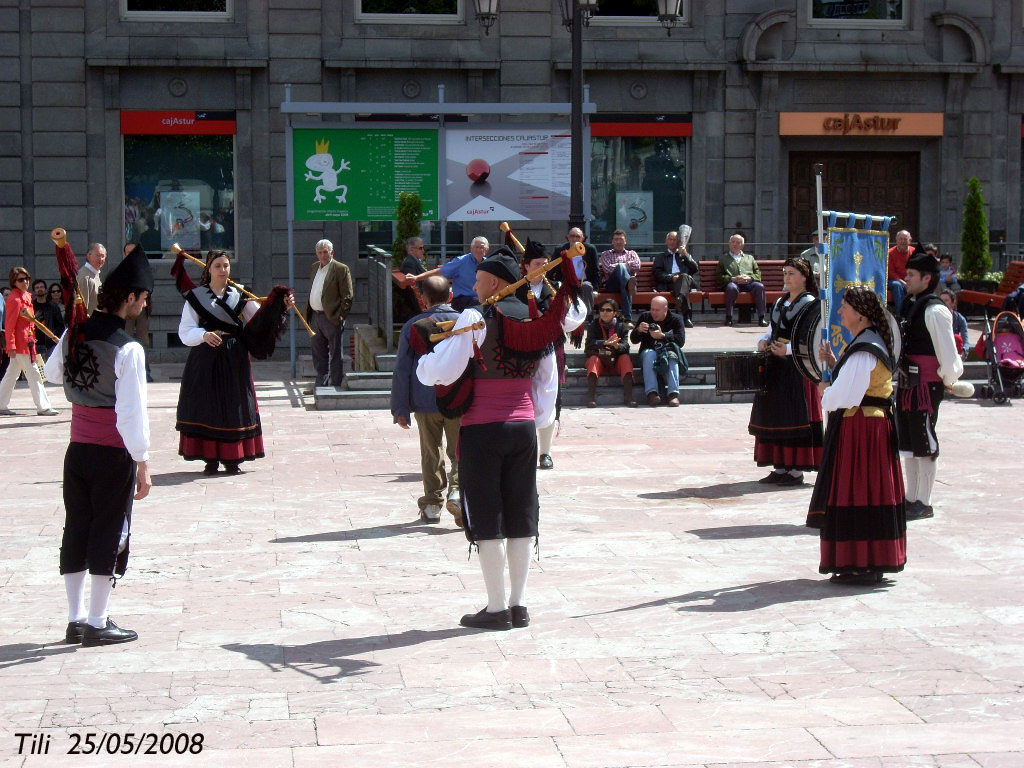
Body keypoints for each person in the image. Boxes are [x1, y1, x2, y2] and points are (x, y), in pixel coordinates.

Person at [416, 250, 581, 630]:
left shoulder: (477, 317)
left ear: (492, 282)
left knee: (488, 515)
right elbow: (546, 383)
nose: (472, 285)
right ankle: (519, 605)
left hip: (482, 430)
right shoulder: (535, 318)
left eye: (478, 280)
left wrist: (426, 362)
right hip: (523, 430)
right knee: (521, 511)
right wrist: (536, 423)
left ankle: (496, 609)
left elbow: (442, 370)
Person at [44, 246, 153, 645]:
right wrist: (142, 461)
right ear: (129, 298)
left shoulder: (77, 331)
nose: (144, 304)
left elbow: (54, 374)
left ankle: (75, 618)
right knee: (109, 530)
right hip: (111, 451)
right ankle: (97, 620)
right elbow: (131, 413)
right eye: (142, 298)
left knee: (77, 527)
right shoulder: (129, 348)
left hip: (78, 450)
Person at [807, 286, 906, 586]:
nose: (840, 312)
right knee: (868, 490)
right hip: (869, 426)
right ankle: (867, 559)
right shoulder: (866, 343)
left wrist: (825, 392)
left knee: (860, 490)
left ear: (860, 314)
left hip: (863, 429)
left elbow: (844, 396)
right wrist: (838, 365)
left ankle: (863, 561)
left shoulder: (865, 348)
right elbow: (860, 383)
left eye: (845, 307)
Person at [175, 250, 295, 474]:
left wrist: (281, 308)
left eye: (226, 265)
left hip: (234, 359)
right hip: (205, 358)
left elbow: (260, 322)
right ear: (208, 269)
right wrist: (203, 335)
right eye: (218, 265)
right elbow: (185, 330)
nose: (223, 270)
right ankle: (210, 459)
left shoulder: (240, 295)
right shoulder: (196, 296)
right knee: (207, 406)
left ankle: (232, 459)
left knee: (233, 406)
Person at [896, 252, 963, 521]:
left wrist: (949, 379)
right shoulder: (910, 304)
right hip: (906, 382)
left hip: (925, 386)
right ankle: (910, 498)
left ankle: (925, 501)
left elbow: (948, 353)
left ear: (927, 278)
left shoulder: (936, 310)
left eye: (911, 275)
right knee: (910, 442)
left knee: (925, 441)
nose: (906, 278)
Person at [390, 276, 462, 524]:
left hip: (425, 398)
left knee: (431, 453)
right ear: (450, 296)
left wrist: (400, 407)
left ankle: (432, 504)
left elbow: (403, 368)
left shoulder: (413, 325)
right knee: (460, 451)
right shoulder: (465, 322)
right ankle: (458, 493)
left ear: (424, 299)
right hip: (457, 398)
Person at [748, 257, 823, 486]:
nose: (787, 278)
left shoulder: (811, 303)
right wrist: (763, 341)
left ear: (804, 276)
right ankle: (779, 467)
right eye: (785, 273)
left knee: (793, 416)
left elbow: (815, 338)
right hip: (776, 368)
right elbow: (772, 330)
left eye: (791, 273)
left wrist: (789, 350)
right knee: (775, 416)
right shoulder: (781, 302)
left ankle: (795, 470)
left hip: (797, 369)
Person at [514, 240, 586, 470]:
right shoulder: (513, 290)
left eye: (546, 264)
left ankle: (545, 452)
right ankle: (523, 449)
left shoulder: (554, 290)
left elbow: (572, 319)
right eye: (538, 264)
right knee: (520, 399)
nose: (543, 268)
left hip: (550, 350)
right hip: (520, 351)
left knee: (551, 398)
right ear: (526, 266)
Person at [0, 268, 59, 416]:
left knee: (12, 374)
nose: (25, 281)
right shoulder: (14, 299)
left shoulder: (25, 296)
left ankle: (1, 404)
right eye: (21, 279)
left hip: (28, 341)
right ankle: (43, 407)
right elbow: (10, 325)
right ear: (14, 282)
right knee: (34, 375)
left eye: (26, 278)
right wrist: (11, 345)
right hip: (21, 344)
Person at [305, 238, 353, 389]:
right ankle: (321, 382)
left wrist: (340, 316)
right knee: (318, 352)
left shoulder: (340, 269)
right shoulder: (314, 267)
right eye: (320, 252)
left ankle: (336, 382)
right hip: (315, 316)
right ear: (316, 254)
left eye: (325, 252)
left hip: (331, 317)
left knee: (335, 352)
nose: (323, 255)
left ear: (332, 252)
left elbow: (347, 295)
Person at [407, 236, 489, 312]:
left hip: (480, 302)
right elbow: (439, 272)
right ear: (471, 249)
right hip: (464, 302)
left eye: (482, 247)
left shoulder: (489, 263)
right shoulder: (461, 261)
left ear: (487, 250)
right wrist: (416, 277)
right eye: (476, 247)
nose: (479, 250)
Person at [630, 295, 685, 407]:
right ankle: (652, 394)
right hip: (648, 351)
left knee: (672, 357)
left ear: (665, 309)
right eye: (652, 309)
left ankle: (673, 394)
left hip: (667, 351)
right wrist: (639, 330)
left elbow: (681, 341)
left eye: (657, 310)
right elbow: (633, 340)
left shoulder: (676, 319)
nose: (654, 313)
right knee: (649, 354)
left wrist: (662, 336)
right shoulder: (645, 316)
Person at [584, 299, 636, 408]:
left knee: (626, 358)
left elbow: (626, 347)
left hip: (616, 360)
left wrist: (617, 346)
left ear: (615, 313)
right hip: (600, 361)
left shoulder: (622, 326)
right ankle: (591, 398)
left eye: (608, 310)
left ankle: (629, 397)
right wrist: (604, 343)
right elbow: (588, 346)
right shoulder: (593, 325)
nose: (604, 313)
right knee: (593, 359)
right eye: (602, 310)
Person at [652, 231, 699, 328]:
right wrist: (671, 277)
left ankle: (680, 298)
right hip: (670, 284)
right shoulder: (661, 257)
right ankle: (686, 317)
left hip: (686, 281)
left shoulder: (684, 255)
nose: (672, 242)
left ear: (679, 242)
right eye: (670, 239)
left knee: (684, 277)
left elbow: (695, 269)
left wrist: (685, 255)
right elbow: (658, 274)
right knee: (683, 289)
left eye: (675, 240)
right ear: (666, 241)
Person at [717, 233, 766, 326]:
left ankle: (762, 317)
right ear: (729, 244)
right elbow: (719, 277)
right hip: (734, 283)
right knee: (731, 288)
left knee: (760, 286)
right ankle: (729, 318)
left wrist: (750, 278)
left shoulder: (750, 258)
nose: (735, 244)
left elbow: (758, 274)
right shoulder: (723, 259)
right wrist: (733, 278)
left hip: (749, 284)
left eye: (738, 242)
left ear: (742, 245)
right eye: (733, 242)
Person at [552, 227, 598, 316]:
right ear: (568, 237)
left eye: (578, 236)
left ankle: (587, 317)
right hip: (565, 281)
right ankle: (563, 317)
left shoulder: (590, 249)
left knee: (587, 286)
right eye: (572, 236)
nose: (575, 239)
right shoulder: (560, 249)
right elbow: (552, 268)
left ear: (582, 238)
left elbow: (596, 270)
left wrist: (596, 289)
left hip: (583, 281)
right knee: (561, 288)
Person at [598, 229, 641, 321]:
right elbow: (607, 269)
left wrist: (618, 266)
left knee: (624, 287)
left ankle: (627, 319)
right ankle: (629, 283)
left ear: (625, 241)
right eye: (616, 239)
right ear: (612, 241)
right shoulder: (606, 254)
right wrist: (624, 265)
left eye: (621, 239)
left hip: (623, 287)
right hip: (611, 285)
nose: (618, 242)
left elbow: (637, 266)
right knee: (622, 270)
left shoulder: (632, 253)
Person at [31, 278, 64, 357]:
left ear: (46, 290)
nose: (39, 289)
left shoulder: (53, 306)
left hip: (50, 345)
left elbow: (60, 326)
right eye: (37, 288)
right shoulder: (31, 306)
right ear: (34, 291)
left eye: (41, 287)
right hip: (35, 344)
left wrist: (53, 336)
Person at [76, 243, 106, 316]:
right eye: (98, 255)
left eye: (103, 256)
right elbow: (82, 310)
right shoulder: (85, 277)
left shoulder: (95, 274)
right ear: (88, 256)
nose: (100, 259)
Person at [887, 229, 914, 310]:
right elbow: (891, 273)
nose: (902, 241)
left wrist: (909, 281)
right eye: (900, 239)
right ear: (896, 240)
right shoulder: (890, 253)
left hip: (909, 279)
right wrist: (903, 283)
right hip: (894, 280)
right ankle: (901, 313)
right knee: (897, 285)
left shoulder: (914, 252)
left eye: (905, 239)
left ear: (910, 240)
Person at [940, 289, 970, 357]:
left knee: (957, 338)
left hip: (954, 351)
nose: (943, 303)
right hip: (938, 349)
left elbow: (965, 340)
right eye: (941, 301)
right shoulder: (934, 317)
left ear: (953, 303)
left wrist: (964, 350)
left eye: (946, 300)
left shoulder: (960, 319)